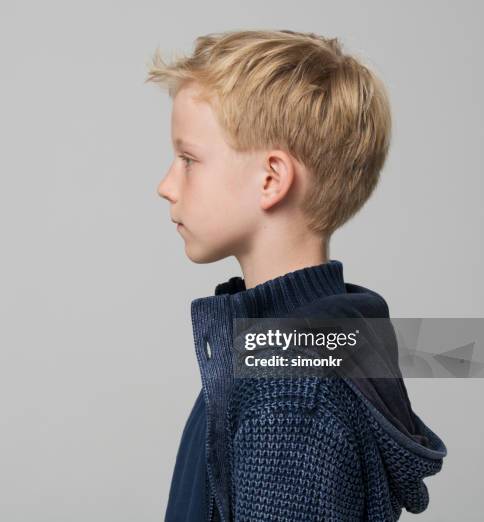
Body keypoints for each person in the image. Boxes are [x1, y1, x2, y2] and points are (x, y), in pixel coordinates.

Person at [145, 29, 447, 521]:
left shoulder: (288, 395)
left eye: (188, 160)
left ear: (271, 179)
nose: (165, 185)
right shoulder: (286, 351)